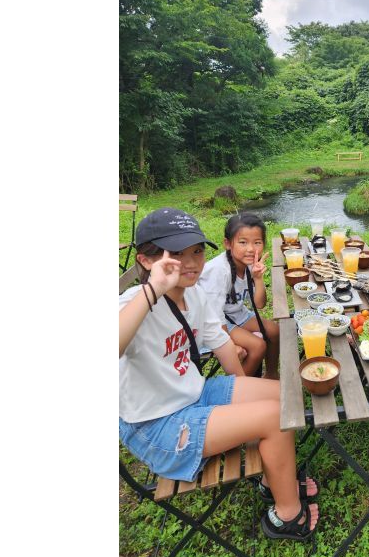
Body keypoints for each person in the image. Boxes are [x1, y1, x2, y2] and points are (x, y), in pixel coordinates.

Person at [119, 208, 319, 540]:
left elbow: (223, 345)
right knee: (272, 417)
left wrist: (243, 390)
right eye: (177, 254)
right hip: (157, 426)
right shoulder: (132, 302)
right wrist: (152, 290)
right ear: (145, 260)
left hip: (193, 395)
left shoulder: (194, 294)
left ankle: (274, 478)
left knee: (285, 394)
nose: (192, 262)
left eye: (196, 251)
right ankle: (287, 516)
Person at [198, 213, 280, 379]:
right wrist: (228, 345)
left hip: (235, 315)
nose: (251, 249)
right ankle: (239, 390)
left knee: (274, 330)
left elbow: (259, 305)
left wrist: (258, 279)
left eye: (257, 242)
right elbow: (214, 316)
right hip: (210, 323)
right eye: (243, 242)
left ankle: (271, 375)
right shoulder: (219, 271)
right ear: (228, 243)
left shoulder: (249, 264)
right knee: (258, 346)